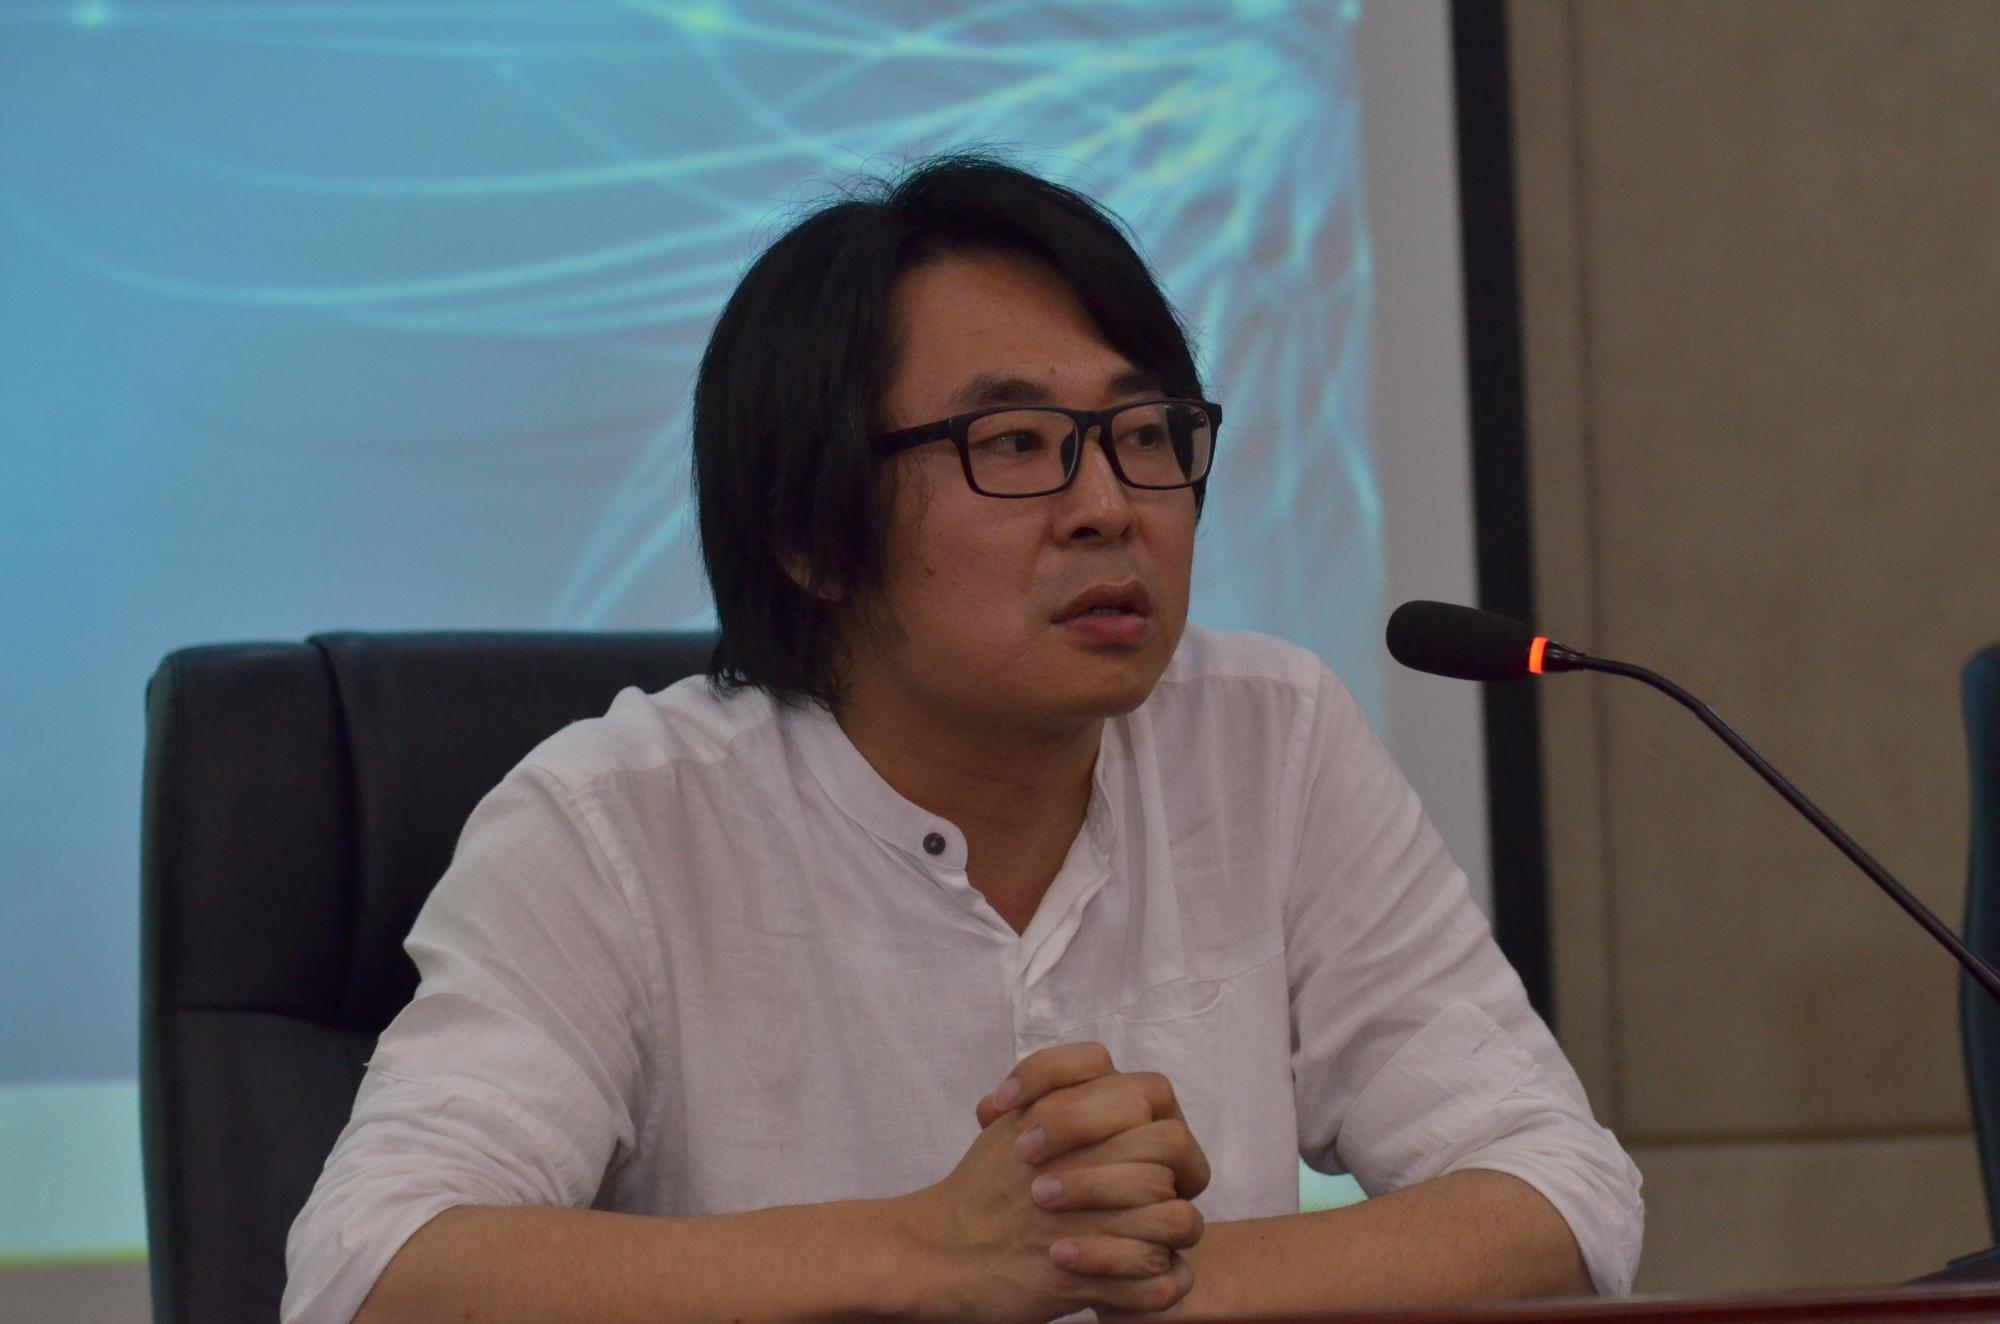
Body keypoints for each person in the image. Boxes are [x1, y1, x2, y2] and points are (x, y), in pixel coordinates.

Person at [282, 152, 1642, 1324]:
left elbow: (1563, 1194)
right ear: (810, 531)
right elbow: (371, 1275)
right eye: (1017, 443)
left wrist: (1146, 1279)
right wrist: (931, 1254)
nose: (1110, 506)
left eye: (1145, 433)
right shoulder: (614, 828)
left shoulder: (1269, 741)